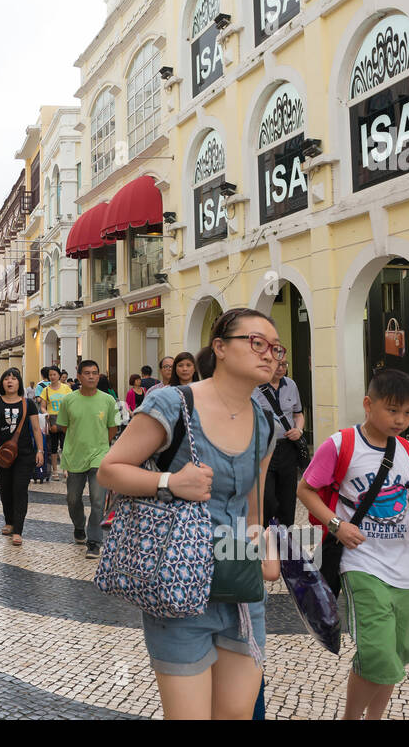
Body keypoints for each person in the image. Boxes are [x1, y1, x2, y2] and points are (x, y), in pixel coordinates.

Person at [98, 308, 283, 719]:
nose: (269, 354)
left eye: (275, 347)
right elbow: (110, 470)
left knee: (236, 713)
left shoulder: (267, 422)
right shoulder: (172, 403)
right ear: (219, 347)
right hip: (178, 584)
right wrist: (169, 483)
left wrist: (263, 544)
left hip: (238, 585)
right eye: (256, 342)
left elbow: (253, 501)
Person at [297, 368, 409, 720]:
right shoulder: (340, 444)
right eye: (392, 410)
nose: (400, 419)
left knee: (399, 652)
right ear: (369, 404)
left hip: (403, 565)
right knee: (377, 652)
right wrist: (337, 525)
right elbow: (304, 489)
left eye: (408, 412)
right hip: (359, 562)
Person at [57, 360, 120, 559]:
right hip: (74, 456)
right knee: (73, 499)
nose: (91, 376)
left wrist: (101, 446)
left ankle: (94, 542)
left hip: (99, 457)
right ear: (79, 376)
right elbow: (65, 427)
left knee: (98, 500)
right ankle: (78, 525)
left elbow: (113, 428)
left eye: (95, 373)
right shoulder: (69, 400)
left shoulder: (108, 400)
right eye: (87, 373)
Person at [0, 369, 44, 546]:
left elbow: (36, 429)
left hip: (24, 454)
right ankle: (9, 521)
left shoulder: (28, 404)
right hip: (3, 455)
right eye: (6, 378)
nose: (10, 381)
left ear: (19, 383)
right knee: (5, 489)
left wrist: (40, 450)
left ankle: (18, 530)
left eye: (14, 379)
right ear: (2, 384)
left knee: (20, 489)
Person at [252, 358, 305, 529]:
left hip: (287, 447)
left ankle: (286, 540)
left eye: (285, 364)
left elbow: (298, 414)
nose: (281, 368)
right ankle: (266, 534)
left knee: (288, 496)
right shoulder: (254, 386)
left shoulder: (291, 385)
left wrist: (299, 430)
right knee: (267, 497)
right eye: (278, 364)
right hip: (264, 448)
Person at [42, 367, 72, 481]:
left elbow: (71, 403)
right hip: (52, 419)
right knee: (53, 447)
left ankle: (65, 468)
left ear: (59, 375)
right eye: (50, 375)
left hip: (64, 418)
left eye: (54, 374)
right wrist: (46, 413)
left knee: (65, 446)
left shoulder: (66, 388)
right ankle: (55, 470)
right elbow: (43, 407)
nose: (52, 377)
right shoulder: (46, 390)